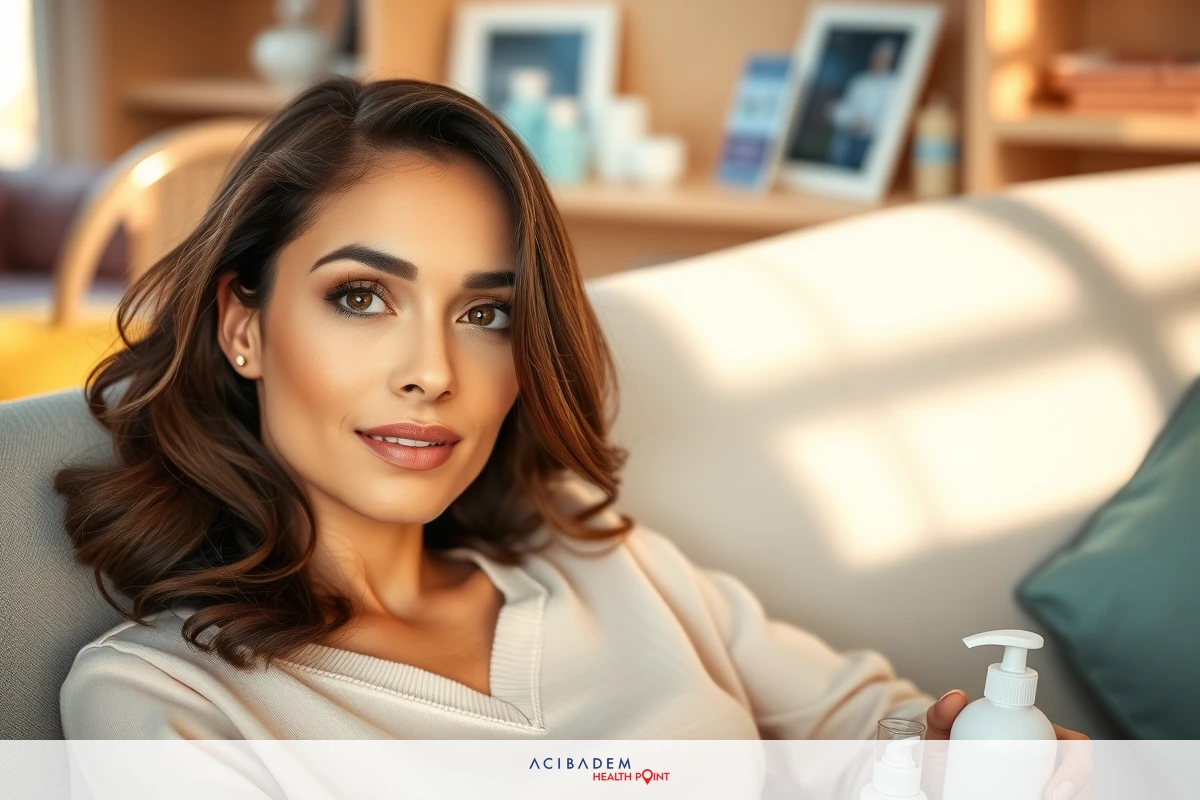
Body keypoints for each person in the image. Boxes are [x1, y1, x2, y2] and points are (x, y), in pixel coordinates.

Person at [54, 76, 1087, 793]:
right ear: (243, 324)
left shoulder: (599, 556)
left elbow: (873, 727)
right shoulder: (162, 698)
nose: (433, 371)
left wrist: (969, 753)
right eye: (362, 296)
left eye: (485, 312)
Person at [826, 38, 901, 169]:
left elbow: (895, 117)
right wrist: (849, 118)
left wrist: (869, 124)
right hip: (852, 140)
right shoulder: (859, 81)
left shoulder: (895, 84)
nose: (880, 60)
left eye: (884, 57)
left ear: (891, 60)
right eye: (877, 56)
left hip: (875, 142)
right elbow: (846, 109)